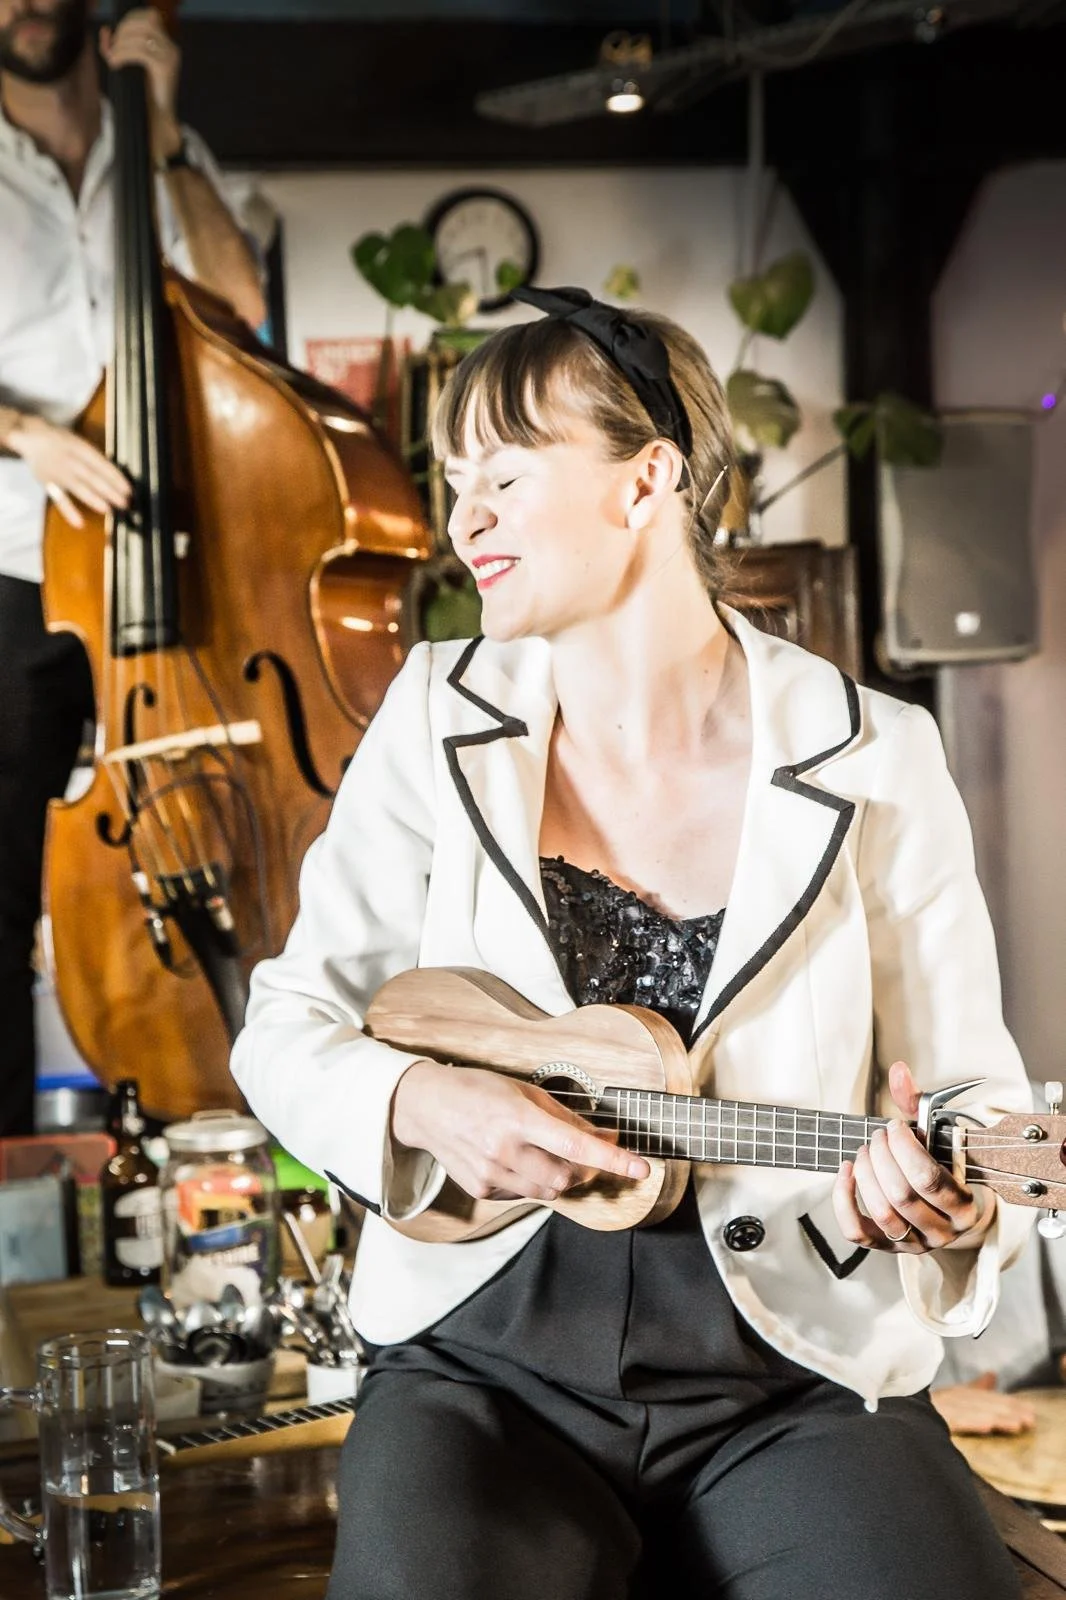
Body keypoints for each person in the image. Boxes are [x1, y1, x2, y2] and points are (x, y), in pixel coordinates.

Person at [231, 284, 1034, 1600]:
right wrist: (425, 1101)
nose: (462, 521)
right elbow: (285, 1031)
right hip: (479, 1365)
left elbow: (968, 1097)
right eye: (453, 483)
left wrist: (951, 1202)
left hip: (791, 1376)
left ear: (645, 479)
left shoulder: (878, 754)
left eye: (503, 475)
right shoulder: (432, 716)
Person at [0, 0, 265, 1135]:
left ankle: (260, 1120)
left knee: (244, 851)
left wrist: (159, 132)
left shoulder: (165, 148)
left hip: (183, 561)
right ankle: (13, 1168)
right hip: (20, 566)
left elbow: (241, 309)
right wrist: (26, 433)